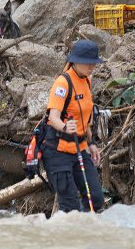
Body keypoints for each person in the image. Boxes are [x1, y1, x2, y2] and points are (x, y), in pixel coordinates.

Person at [42, 39, 106, 213]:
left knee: (96, 199)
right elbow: (53, 117)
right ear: (76, 61)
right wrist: (64, 127)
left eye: (94, 62)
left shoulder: (87, 81)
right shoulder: (62, 84)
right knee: (70, 206)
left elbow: (85, 118)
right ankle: (71, 232)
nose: (92, 66)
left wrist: (91, 144)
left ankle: (82, 230)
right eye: (88, 62)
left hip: (79, 148)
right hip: (57, 152)